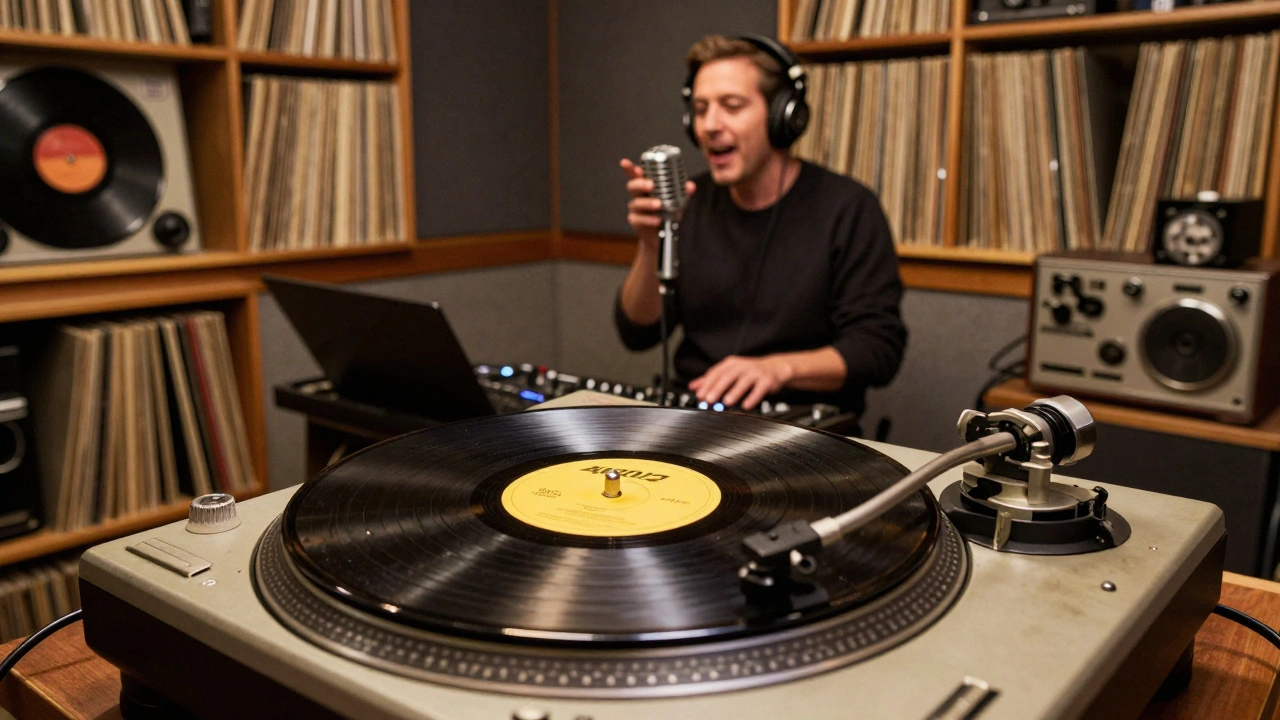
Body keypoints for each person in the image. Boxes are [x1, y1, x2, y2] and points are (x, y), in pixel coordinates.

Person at [614, 33, 907, 426]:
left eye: (731, 106)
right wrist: (652, 245)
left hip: (806, 431)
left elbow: (877, 349)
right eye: (700, 109)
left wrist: (776, 369)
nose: (710, 125)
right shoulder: (691, 204)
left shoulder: (848, 208)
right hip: (697, 421)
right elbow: (638, 332)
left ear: (782, 115)